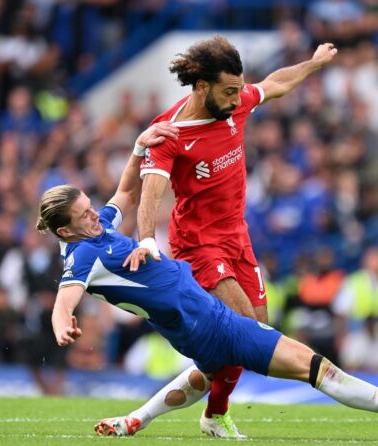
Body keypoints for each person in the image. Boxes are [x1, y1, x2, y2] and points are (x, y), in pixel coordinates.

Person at [36, 140, 378, 439]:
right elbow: (64, 300)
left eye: (91, 208)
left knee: (209, 375)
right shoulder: (81, 258)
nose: (95, 215)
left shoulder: (97, 233)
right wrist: (62, 324)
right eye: (85, 215)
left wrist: (138, 148)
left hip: (193, 323)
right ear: (63, 229)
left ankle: (136, 420)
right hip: (211, 321)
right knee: (317, 367)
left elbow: (126, 191)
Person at [125, 34, 338, 437]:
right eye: (228, 91)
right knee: (244, 328)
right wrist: (147, 239)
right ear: (201, 86)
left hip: (237, 237)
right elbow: (150, 191)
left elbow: (275, 84)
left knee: (257, 327)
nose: (236, 98)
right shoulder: (169, 133)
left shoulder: (235, 102)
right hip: (198, 243)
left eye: (239, 89)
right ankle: (210, 408)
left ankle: (213, 411)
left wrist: (313, 64)